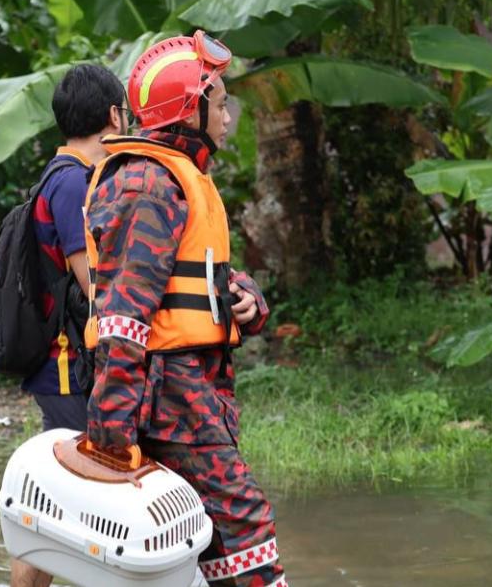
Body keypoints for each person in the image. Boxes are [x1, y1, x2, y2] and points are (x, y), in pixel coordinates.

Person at [82, 31, 286, 587]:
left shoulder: (176, 178)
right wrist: (111, 434)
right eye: (218, 102)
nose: (227, 115)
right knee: (244, 527)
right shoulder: (147, 183)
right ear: (188, 108)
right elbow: (124, 316)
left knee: (209, 539)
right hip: (167, 394)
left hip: (191, 390)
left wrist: (248, 301)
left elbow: (198, 280)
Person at [11, 64, 126, 587]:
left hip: (62, 362)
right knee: (69, 492)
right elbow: (95, 281)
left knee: (56, 495)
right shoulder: (74, 182)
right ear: (113, 115)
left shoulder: (62, 174)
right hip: (64, 363)